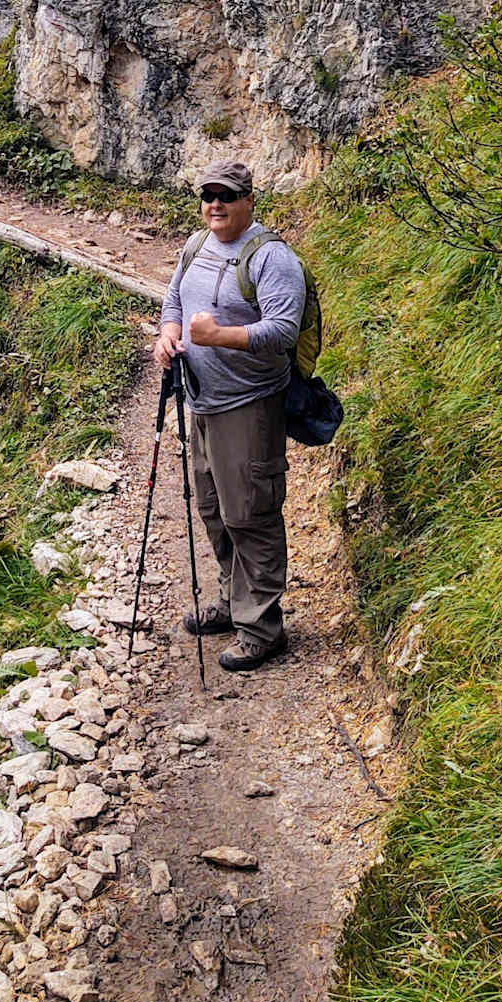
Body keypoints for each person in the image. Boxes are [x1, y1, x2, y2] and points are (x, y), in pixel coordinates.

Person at [155, 159, 305, 672]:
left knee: (250, 513)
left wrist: (220, 337)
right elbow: (174, 297)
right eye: (208, 195)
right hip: (200, 399)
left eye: (227, 195)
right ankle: (231, 598)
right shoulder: (197, 246)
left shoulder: (272, 258)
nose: (215, 204)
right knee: (213, 508)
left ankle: (261, 627)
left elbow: (283, 330)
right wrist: (168, 335)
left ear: (249, 201)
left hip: (249, 404)